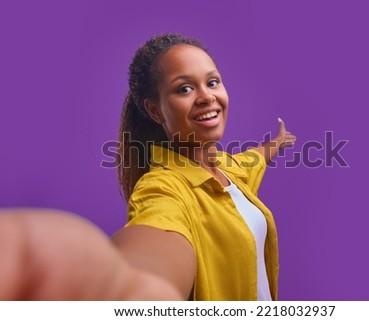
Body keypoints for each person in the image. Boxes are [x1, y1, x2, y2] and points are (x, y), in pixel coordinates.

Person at [0, 33, 296, 301]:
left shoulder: (227, 169)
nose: (207, 96)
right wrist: (127, 284)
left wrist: (277, 143)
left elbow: (251, 161)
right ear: (155, 111)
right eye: (184, 89)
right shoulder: (163, 188)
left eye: (212, 82)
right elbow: (158, 237)